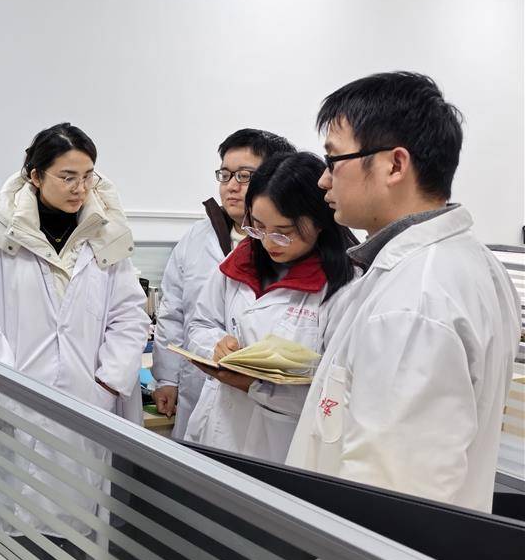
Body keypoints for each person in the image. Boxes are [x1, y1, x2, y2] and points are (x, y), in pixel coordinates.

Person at [287, 72, 520, 512]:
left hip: (365, 551)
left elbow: (391, 503)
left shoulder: (415, 300)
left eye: (334, 161)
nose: (323, 181)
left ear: (395, 165)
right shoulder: (465, 264)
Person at [0, 123, 149, 560]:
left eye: (87, 176)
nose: (80, 188)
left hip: (88, 404)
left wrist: (108, 380)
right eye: (67, 177)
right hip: (16, 405)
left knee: (79, 540)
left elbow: (130, 315)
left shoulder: (105, 236)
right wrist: (10, 381)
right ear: (36, 176)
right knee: (13, 539)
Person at [182, 151, 357, 461]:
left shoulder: (344, 286)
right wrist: (216, 347)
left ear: (319, 221)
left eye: (283, 233)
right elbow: (201, 324)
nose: (268, 243)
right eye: (258, 227)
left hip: (282, 442)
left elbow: (339, 393)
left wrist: (256, 386)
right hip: (219, 426)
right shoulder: (241, 260)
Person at [151, 129, 296, 439]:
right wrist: (167, 379)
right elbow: (173, 312)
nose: (231, 186)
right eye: (225, 175)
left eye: (244, 176)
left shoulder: (290, 246)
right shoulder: (196, 238)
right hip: (197, 389)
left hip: (266, 405)